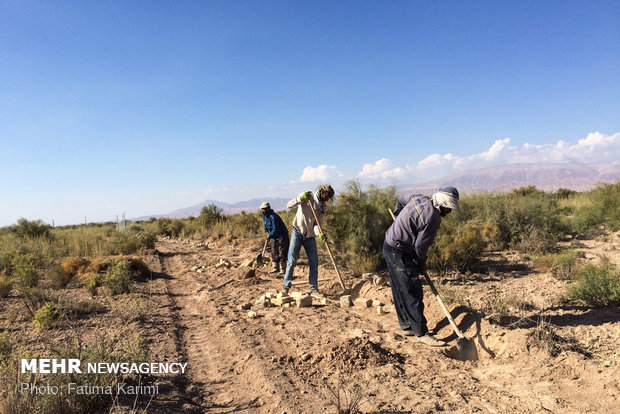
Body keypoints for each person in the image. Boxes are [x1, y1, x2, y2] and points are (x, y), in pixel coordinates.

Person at [383, 186, 461, 347]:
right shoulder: (433, 218)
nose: (450, 211)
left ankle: (407, 325)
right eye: (449, 207)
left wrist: (399, 216)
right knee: (412, 289)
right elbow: (420, 247)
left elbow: (402, 197)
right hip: (400, 250)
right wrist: (422, 263)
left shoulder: (419, 198)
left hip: (389, 244)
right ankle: (421, 333)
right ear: (442, 203)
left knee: (399, 286)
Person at [282, 184, 335, 296]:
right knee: (291, 261)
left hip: (310, 237)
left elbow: (317, 224)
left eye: (330, 197)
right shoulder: (308, 197)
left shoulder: (323, 208)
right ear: (322, 192)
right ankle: (286, 287)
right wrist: (299, 198)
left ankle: (313, 289)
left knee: (314, 262)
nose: (328, 199)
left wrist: (319, 234)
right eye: (328, 196)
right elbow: (289, 205)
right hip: (297, 232)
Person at [260, 201, 289, 275]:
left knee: (282, 252)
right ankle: (275, 268)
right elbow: (266, 226)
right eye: (262, 209)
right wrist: (267, 232)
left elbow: (275, 228)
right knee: (273, 251)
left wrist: (270, 236)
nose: (263, 210)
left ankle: (283, 269)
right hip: (274, 236)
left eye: (265, 209)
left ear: (269, 208)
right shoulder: (264, 217)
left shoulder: (273, 216)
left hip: (281, 236)